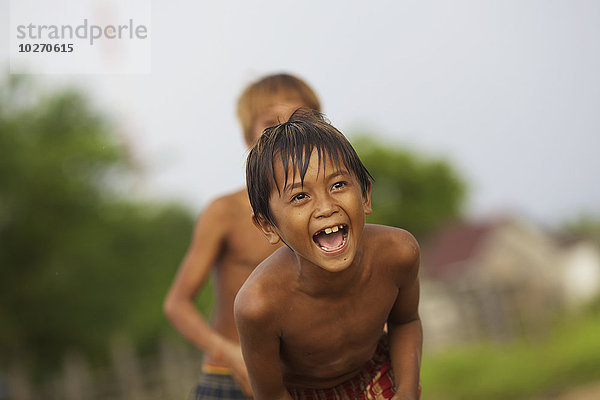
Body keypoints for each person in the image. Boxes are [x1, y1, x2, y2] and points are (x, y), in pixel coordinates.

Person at [234, 109, 422, 400]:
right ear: (268, 225)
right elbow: (271, 395)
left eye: (338, 185)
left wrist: (407, 391)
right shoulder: (259, 305)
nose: (325, 207)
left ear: (365, 195)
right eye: (300, 196)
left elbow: (406, 321)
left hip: (378, 375)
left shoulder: (398, 254)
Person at [164, 74, 321, 400]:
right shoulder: (226, 212)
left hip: (305, 374)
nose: (284, 135)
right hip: (233, 377)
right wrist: (228, 353)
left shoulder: (328, 208)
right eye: (269, 125)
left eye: (298, 121)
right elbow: (177, 304)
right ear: (250, 138)